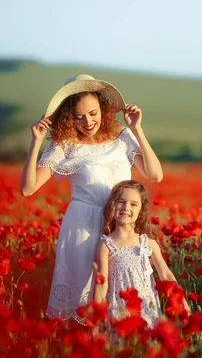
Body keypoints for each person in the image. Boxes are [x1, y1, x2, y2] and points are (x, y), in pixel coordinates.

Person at [19, 74, 163, 323]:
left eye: (93, 113)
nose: (88, 121)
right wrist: (36, 143)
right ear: (69, 117)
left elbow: (155, 174)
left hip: (121, 224)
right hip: (83, 226)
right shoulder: (65, 144)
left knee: (121, 296)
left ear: (103, 109)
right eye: (79, 116)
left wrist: (137, 130)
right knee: (85, 298)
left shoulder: (122, 137)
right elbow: (28, 189)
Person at [93, 180, 190, 328]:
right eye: (121, 201)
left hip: (147, 308)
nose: (126, 208)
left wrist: (181, 301)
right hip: (119, 310)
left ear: (141, 210)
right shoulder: (106, 245)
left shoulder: (148, 243)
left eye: (133, 204)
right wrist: (96, 319)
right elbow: (102, 284)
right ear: (112, 205)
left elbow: (166, 275)